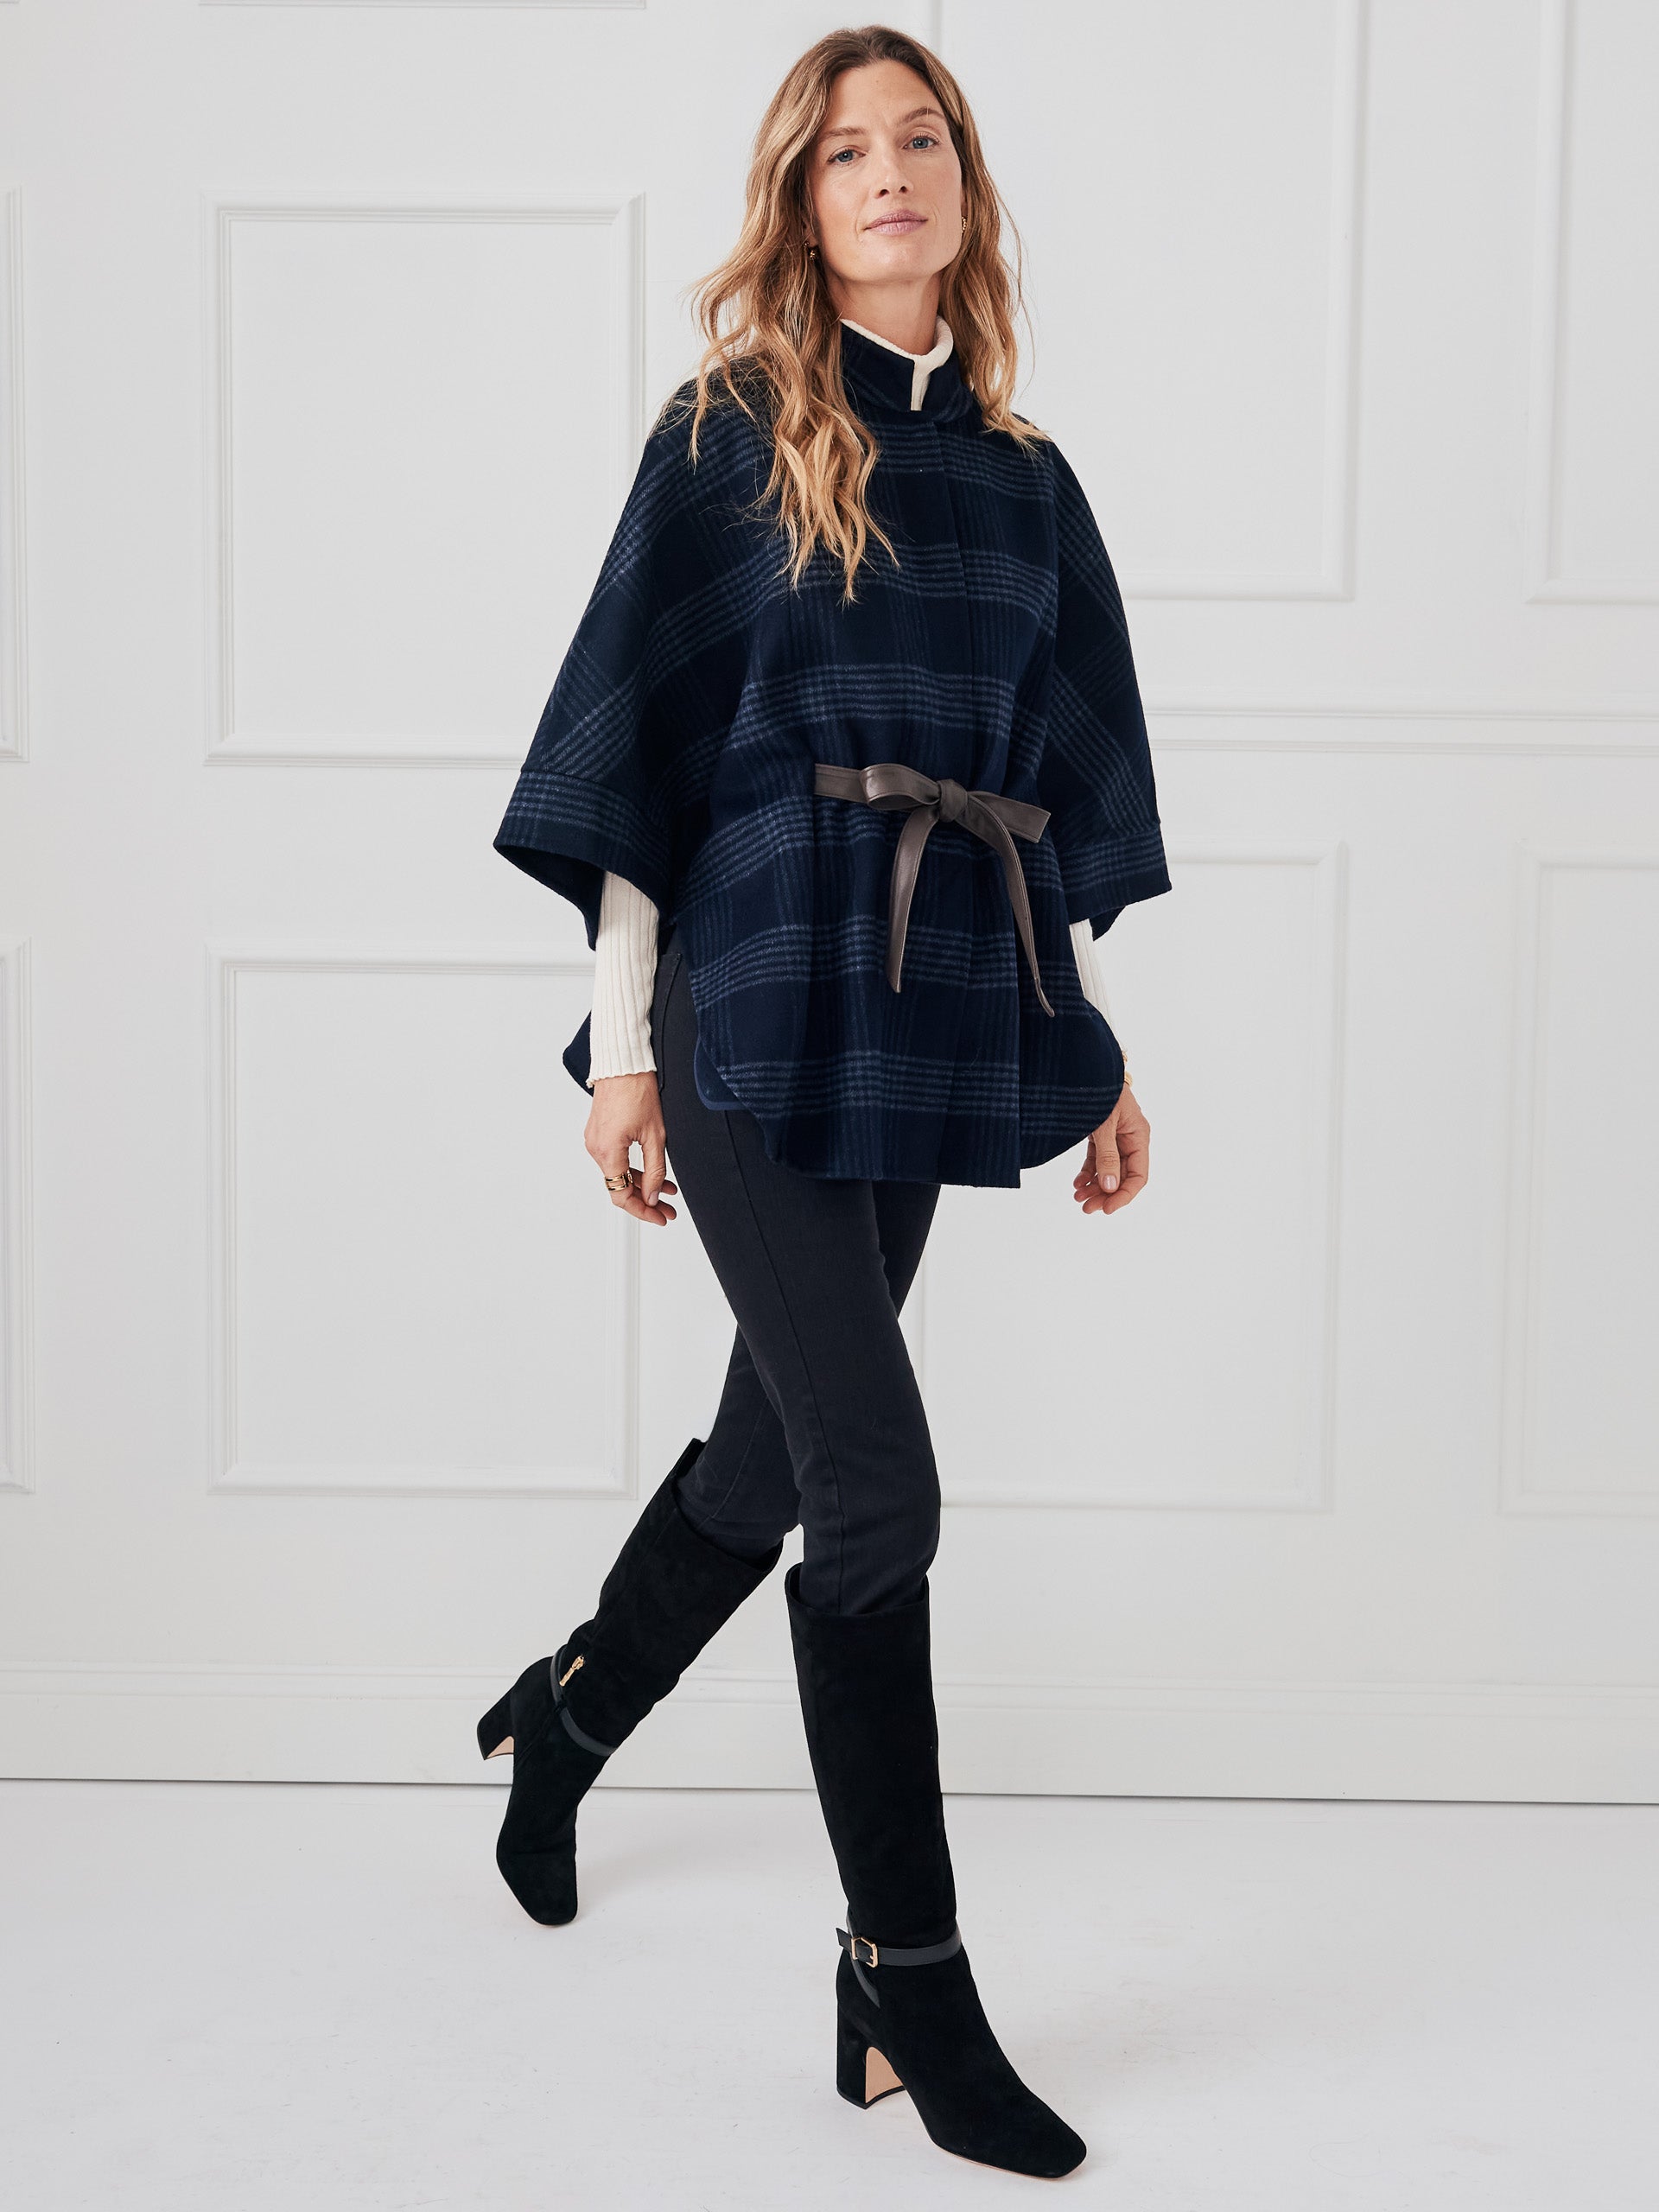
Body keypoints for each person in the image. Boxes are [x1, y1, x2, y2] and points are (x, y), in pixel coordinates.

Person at [474, 23, 1168, 2179]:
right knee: (878, 1486)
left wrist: (1096, 1046)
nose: (889, 173)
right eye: (847, 150)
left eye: (921, 139)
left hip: (936, 1006)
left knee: (780, 1454)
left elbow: (1046, 798)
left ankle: (565, 1713)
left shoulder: (1028, 481)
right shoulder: (727, 436)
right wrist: (621, 1044)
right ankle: (909, 1978)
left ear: (965, 184)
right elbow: (635, 749)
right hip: (756, 1003)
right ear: (801, 199)